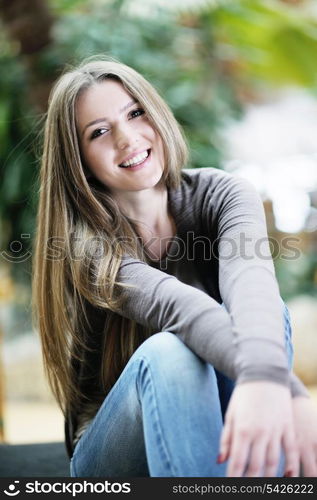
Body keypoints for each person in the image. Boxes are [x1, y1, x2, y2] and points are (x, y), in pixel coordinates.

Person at [32, 57, 317, 478]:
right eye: (99, 132)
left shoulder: (223, 192)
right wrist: (285, 387)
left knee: (268, 312)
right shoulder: (84, 245)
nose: (127, 139)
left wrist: (269, 383)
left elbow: (250, 283)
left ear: (156, 111)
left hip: (215, 425)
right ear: (78, 160)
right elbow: (180, 308)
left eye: (134, 113)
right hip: (115, 453)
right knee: (171, 349)